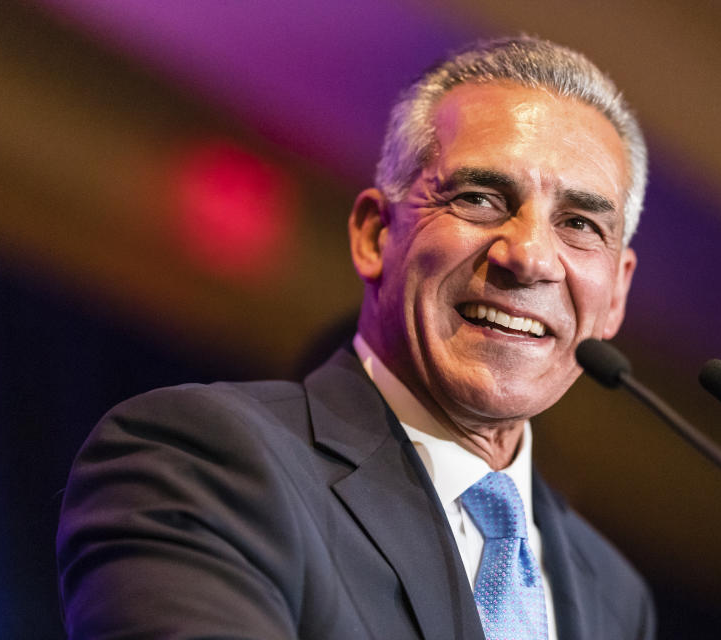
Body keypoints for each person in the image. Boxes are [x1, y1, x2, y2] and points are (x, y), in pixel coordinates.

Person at [57, 35, 654, 639]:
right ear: (374, 235)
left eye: (579, 224)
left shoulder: (613, 595)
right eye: (478, 198)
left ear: (617, 296)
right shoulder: (203, 459)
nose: (527, 255)